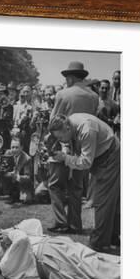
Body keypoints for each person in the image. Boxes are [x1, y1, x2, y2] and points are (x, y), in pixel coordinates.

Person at [49, 113, 120, 251]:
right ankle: (113, 236)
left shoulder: (87, 130)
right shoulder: (70, 123)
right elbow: (72, 146)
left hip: (110, 156)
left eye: (60, 137)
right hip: (102, 155)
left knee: (102, 200)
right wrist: (65, 152)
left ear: (68, 129)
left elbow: (86, 162)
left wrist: (65, 158)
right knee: (113, 199)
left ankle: (99, 243)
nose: (60, 141)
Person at [0, 219, 120, 279]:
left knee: (97, 258)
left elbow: (35, 224)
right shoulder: (5, 267)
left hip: (57, 246)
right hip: (52, 260)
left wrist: (12, 228)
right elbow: (22, 239)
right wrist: (10, 233)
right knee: (94, 269)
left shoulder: (11, 248)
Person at [47, 61, 98, 234]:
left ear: (69, 77)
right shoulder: (93, 96)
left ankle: (61, 221)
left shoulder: (63, 94)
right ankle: (75, 224)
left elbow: (53, 121)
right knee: (76, 187)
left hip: (63, 141)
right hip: (83, 142)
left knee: (55, 184)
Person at [0, 137, 33, 203]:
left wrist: (17, 176)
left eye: (16, 147)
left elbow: (28, 177)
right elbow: (0, 170)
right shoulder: (7, 154)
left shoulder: (27, 159)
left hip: (23, 184)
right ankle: (10, 193)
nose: (14, 149)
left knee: (27, 200)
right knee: (1, 173)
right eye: (12, 147)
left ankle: (22, 193)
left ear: (21, 147)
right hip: (12, 181)